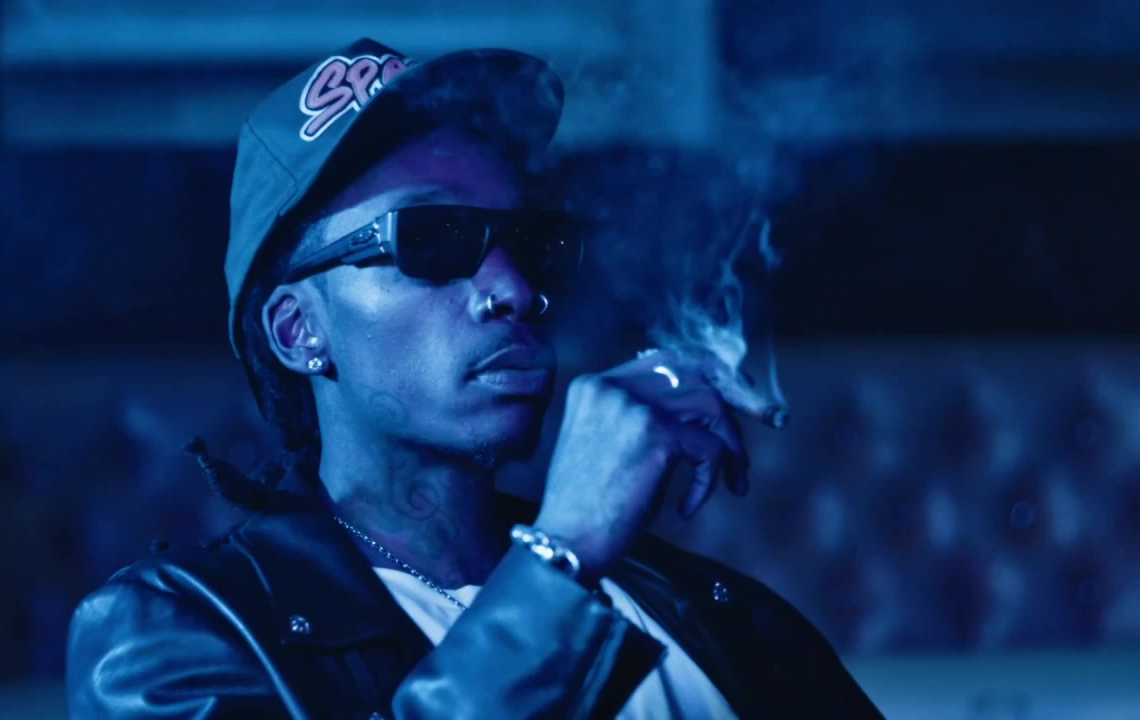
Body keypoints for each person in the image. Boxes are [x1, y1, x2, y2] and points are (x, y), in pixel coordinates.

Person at [65, 38, 883, 719]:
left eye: (528, 246)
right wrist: (561, 555)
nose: (515, 291)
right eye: (433, 241)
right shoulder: (170, 632)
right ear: (298, 330)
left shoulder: (708, 610)